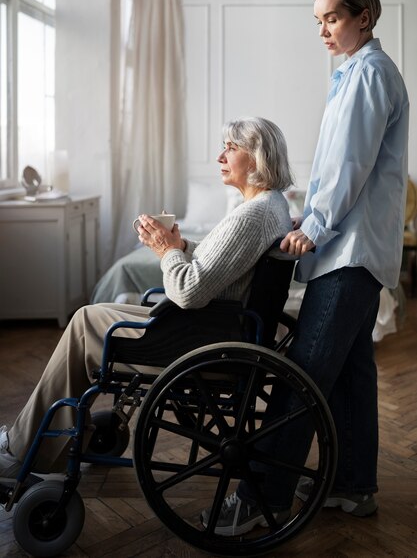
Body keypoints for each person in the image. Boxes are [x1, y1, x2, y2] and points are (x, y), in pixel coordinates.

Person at [205, 0, 409, 535]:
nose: (322, 29)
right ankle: (353, 485)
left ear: (364, 15)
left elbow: (349, 166)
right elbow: (339, 168)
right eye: (317, 20)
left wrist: (313, 226)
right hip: (354, 249)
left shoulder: (368, 75)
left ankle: (258, 496)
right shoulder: (354, 74)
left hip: (349, 252)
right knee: (348, 374)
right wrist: (306, 216)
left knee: (303, 373)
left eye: (333, 18)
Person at [0, 116, 294, 480]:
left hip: (201, 335)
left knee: (84, 323)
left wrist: (165, 250)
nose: (220, 156)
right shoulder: (272, 206)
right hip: (216, 326)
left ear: (257, 159)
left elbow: (188, 290)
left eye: (231, 149)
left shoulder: (252, 214)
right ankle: (46, 439)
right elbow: (226, 261)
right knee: (91, 316)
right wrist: (183, 245)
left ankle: (22, 451)